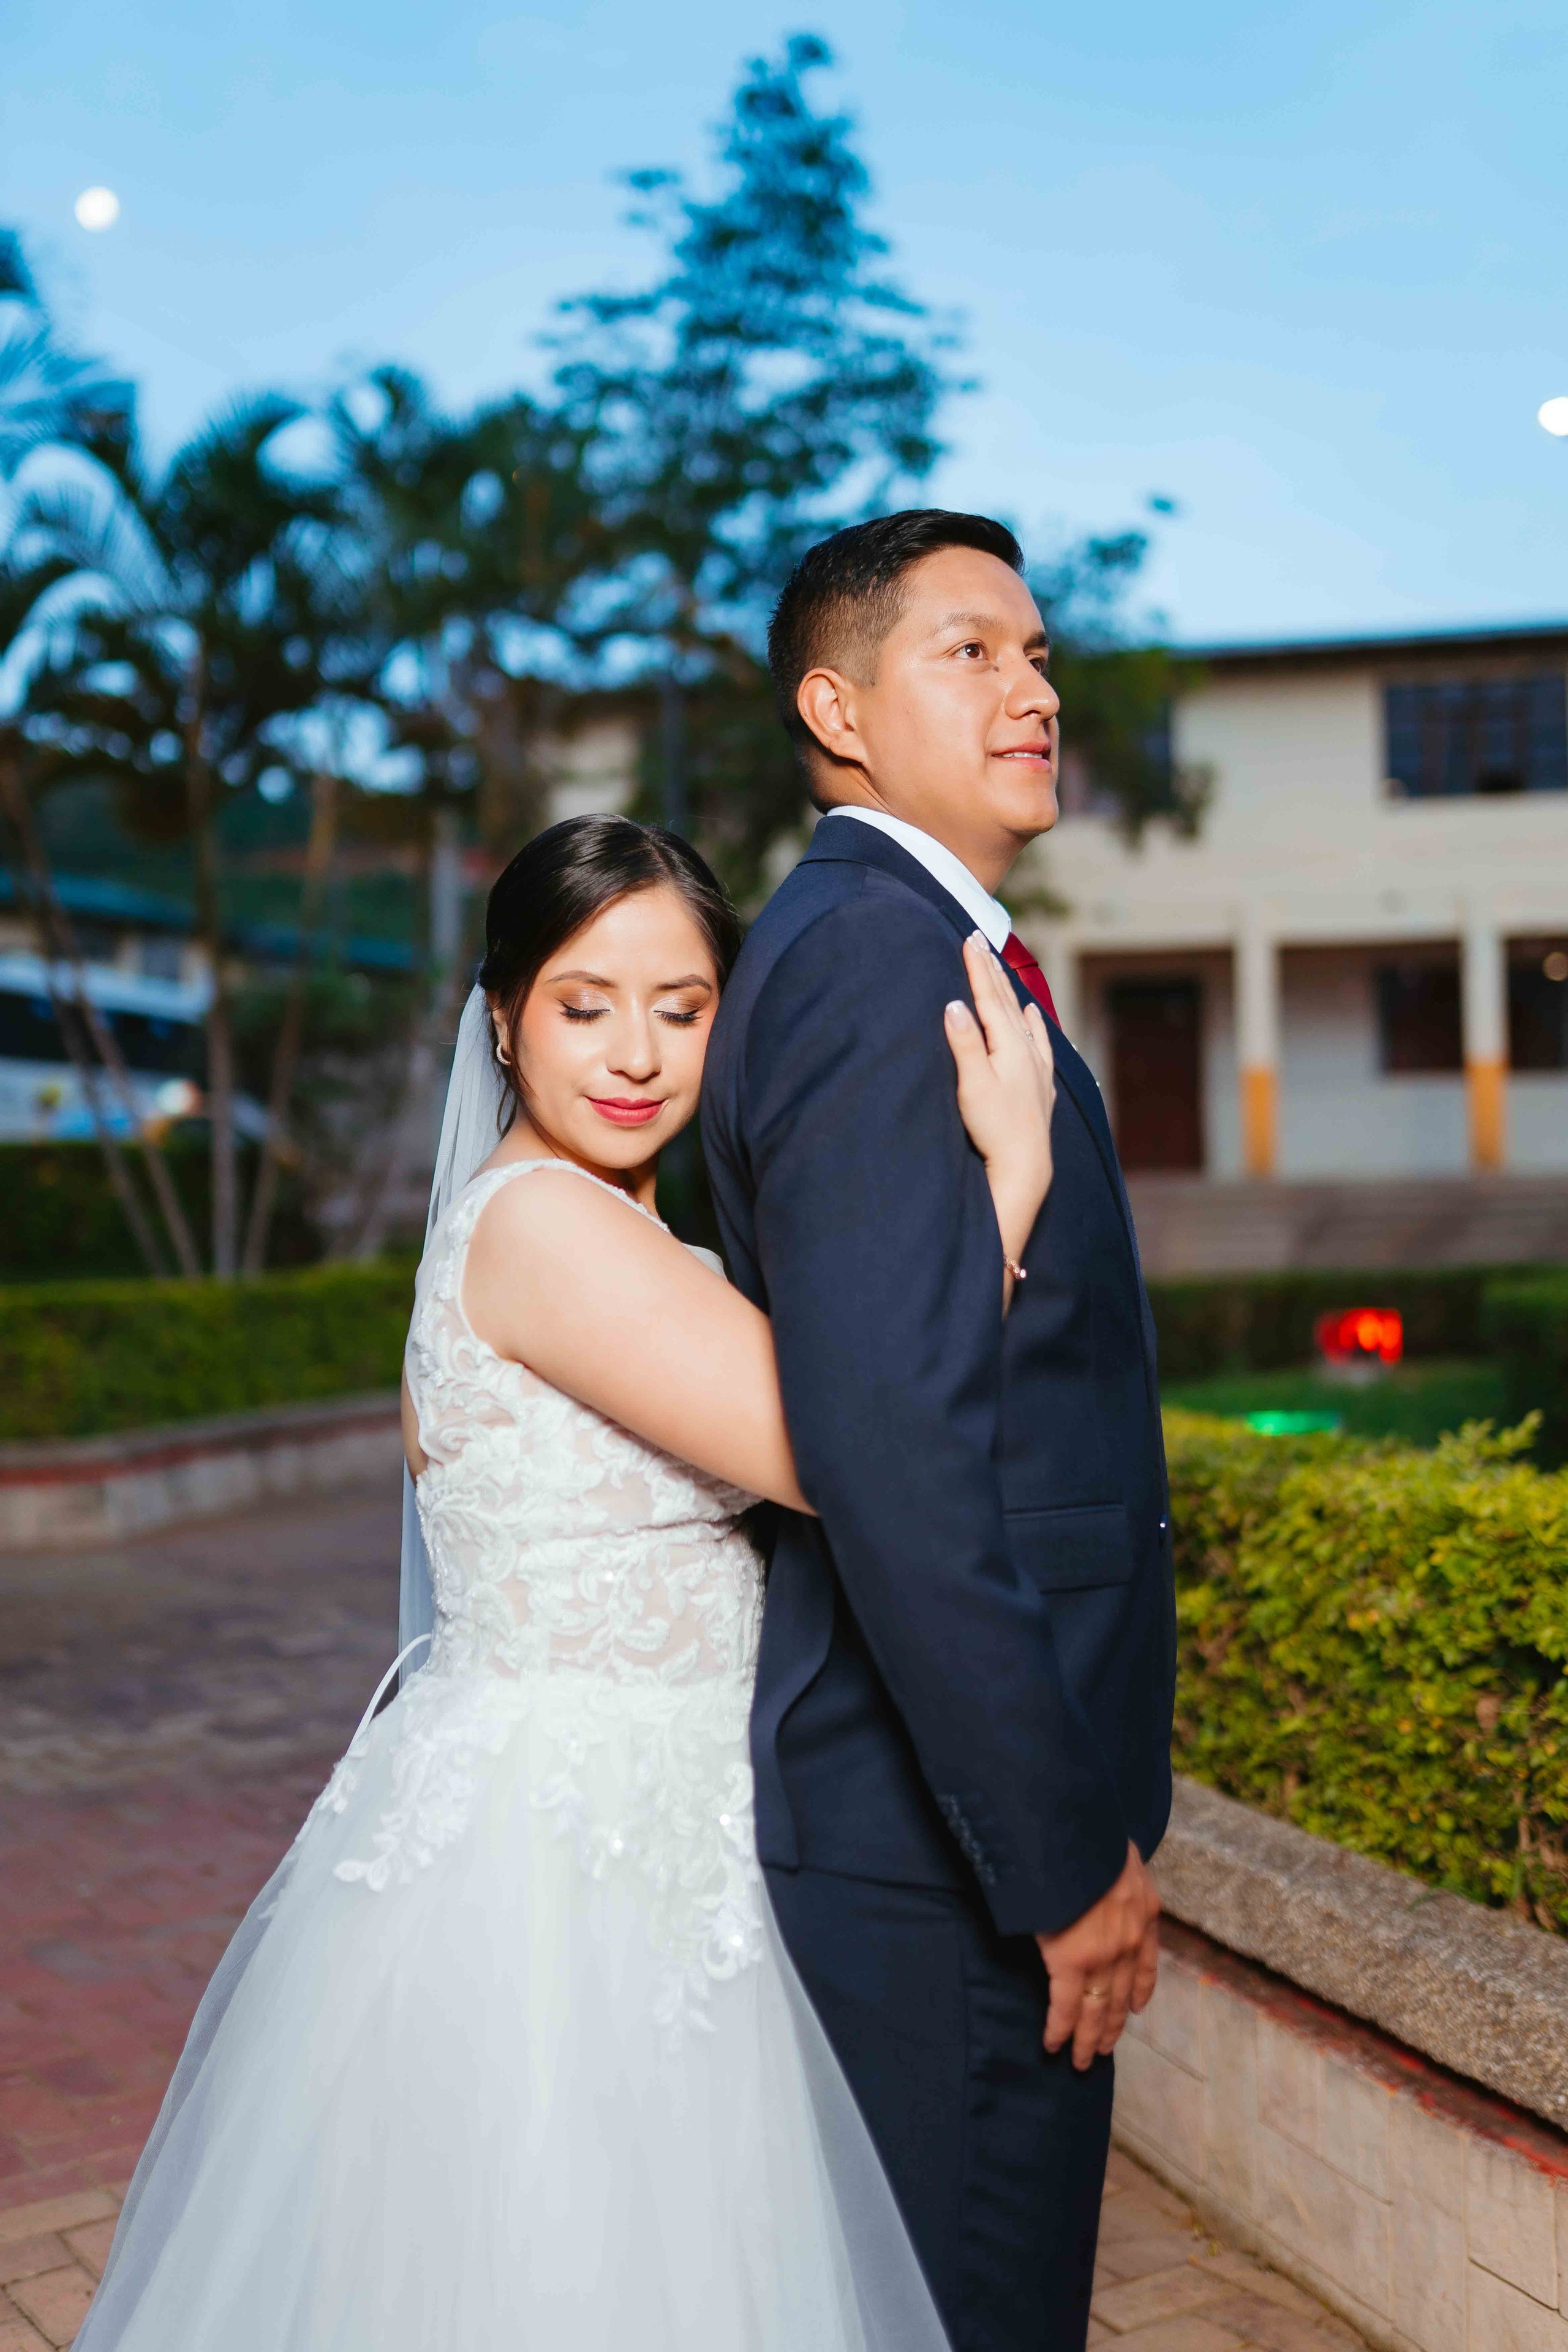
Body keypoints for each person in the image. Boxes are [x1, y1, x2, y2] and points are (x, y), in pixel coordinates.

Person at [74, 812, 1057, 2351]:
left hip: (626, 1802)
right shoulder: (544, 1228)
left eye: (683, 1008)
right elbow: (843, 1454)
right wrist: (1011, 1175)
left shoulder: (603, 1229)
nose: (637, 1053)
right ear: (502, 1023)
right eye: (584, 1004)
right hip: (586, 1848)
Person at [701, 508, 1175, 2352]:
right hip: (949, 1858)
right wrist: (1055, 1858)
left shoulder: (920, 944)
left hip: (949, 1830)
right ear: (837, 705)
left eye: (1039, 653)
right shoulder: (868, 961)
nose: (1032, 688)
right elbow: (893, 1447)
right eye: (968, 652)